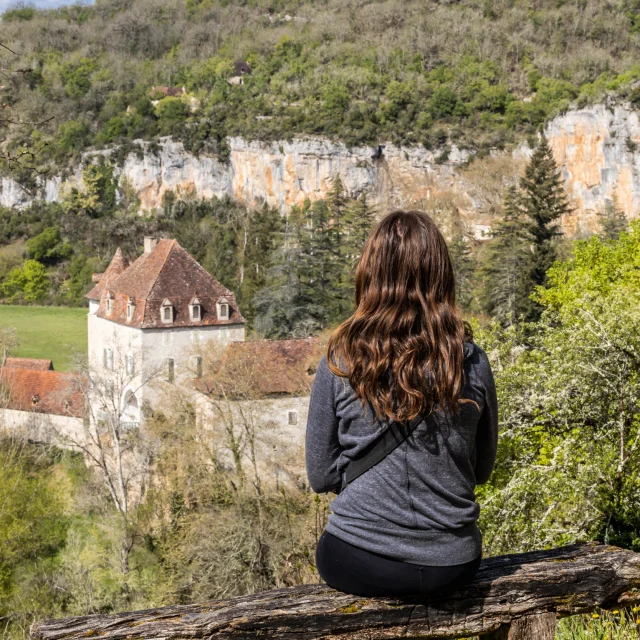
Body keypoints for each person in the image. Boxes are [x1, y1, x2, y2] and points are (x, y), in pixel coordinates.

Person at [305, 210, 498, 598]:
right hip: (453, 562)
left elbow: (321, 476)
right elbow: (481, 470)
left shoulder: (341, 363)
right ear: (441, 277)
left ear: (369, 275)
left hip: (357, 560)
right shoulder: (472, 362)